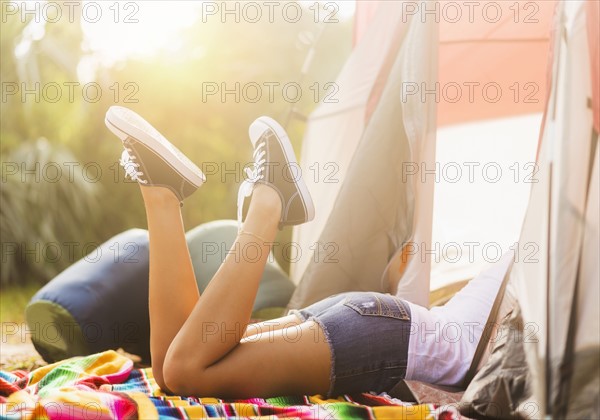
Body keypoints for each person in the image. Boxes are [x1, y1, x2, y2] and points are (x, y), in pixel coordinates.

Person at [104, 106, 513, 398]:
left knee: (172, 366)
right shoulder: (551, 263)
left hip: (372, 323)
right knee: (187, 369)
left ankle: (161, 193)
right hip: (382, 337)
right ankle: (273, 200)